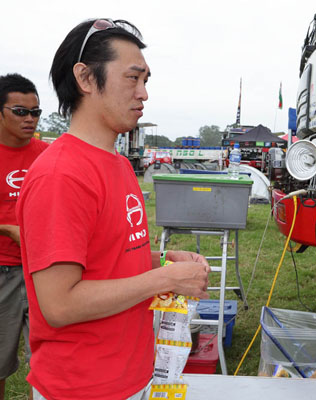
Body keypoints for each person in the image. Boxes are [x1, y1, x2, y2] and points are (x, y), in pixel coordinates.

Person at [16, 19, 210, 400]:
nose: (144, 93)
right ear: (86, 79)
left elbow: (107, 258)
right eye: (133, 78)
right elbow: (59, 303)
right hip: (82, 386)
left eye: (146, 80)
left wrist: (161, 261)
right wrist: (165, 281)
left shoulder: (118, 164)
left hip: (130, 374)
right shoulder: (60, 174)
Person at [0, 73, 48, 400]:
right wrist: (6, 228)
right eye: (20, 111)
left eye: (35, 112)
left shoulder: (48, 155)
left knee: (46, 362)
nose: (29, 119)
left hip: (43, 271)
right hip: (2, 269)